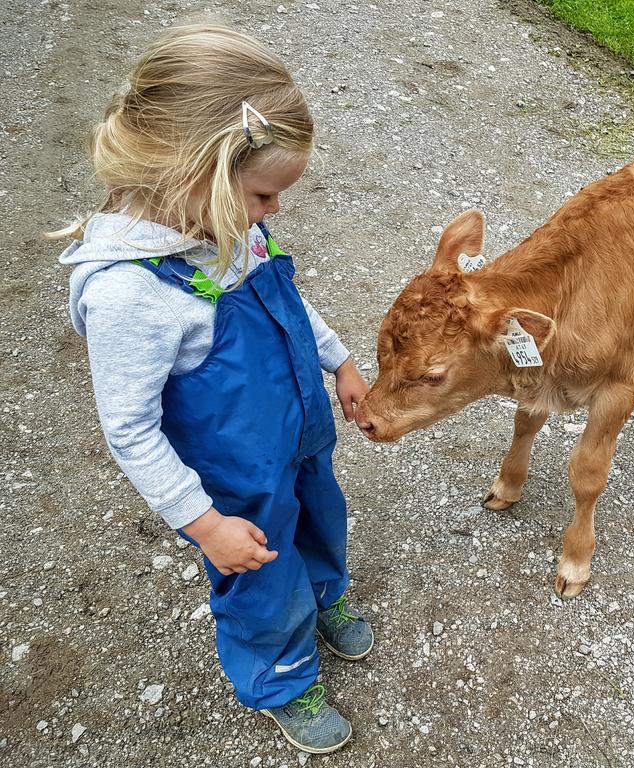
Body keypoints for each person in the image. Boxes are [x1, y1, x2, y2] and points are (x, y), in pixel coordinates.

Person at [53, 23, 371, 754]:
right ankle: (282, 674)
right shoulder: (130, 296)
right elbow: (130, 430)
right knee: (260, 575)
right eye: (265, 193)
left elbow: (287, 302)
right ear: (193, 170)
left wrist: (342, 361)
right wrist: (204, 525)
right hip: (232, 482)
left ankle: (324, 594)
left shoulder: (229, 225)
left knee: (321, 519)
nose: (275, 211)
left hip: (297, 438)